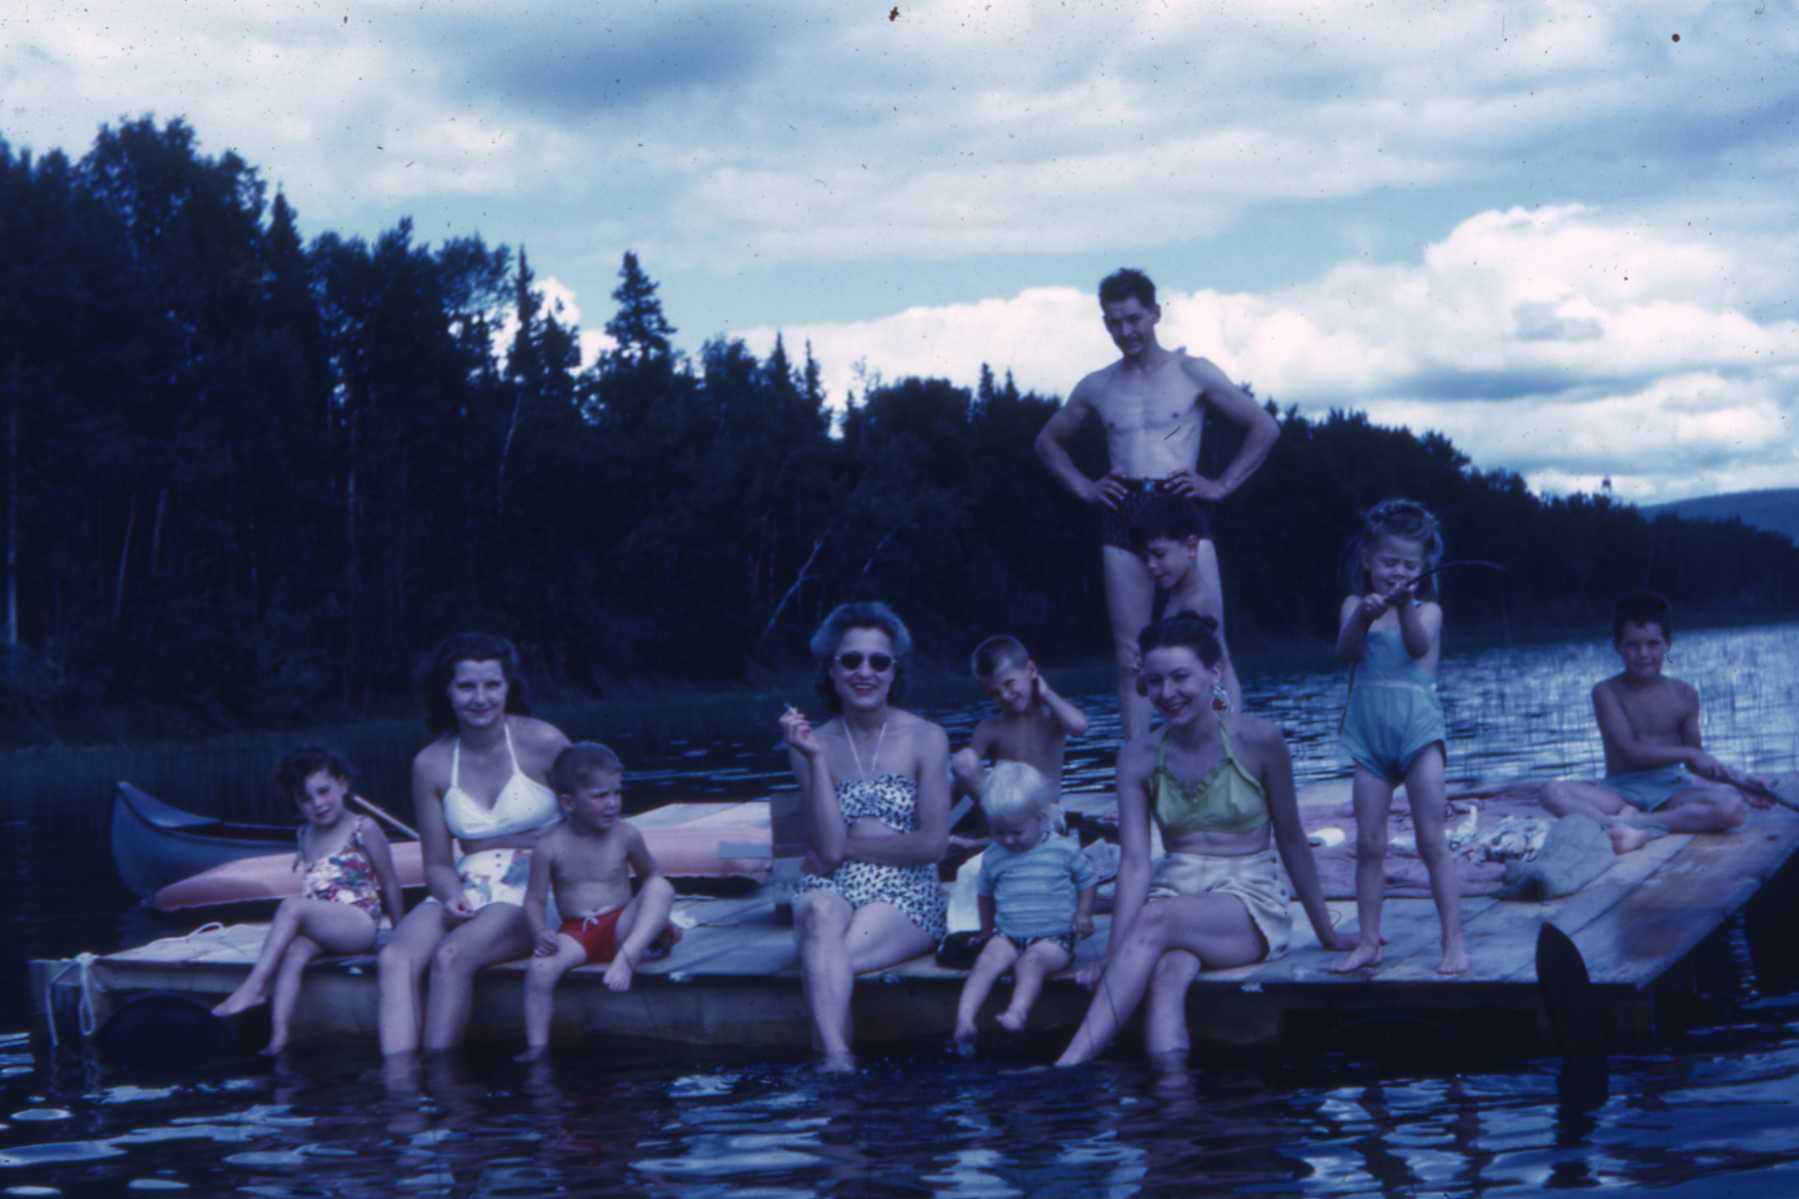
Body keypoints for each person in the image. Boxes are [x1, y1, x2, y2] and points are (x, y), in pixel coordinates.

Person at [1055, 612, 1346, 1067]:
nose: (1167, 694)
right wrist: (1114, 954)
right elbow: (1134, 864)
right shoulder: (1137, 757)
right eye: (1154, 683)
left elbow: (1292, 840)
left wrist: (1326, 930)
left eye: (1179, 677)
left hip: (1247, 900)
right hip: (1176, 892)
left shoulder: (1259, 740)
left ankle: (1067, 1068)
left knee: (1156, 919)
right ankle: (1175, 1106)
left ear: (1213, 672)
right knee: (1167, 977)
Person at [1034, 267, 1276, 738]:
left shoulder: (1193, 372)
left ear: (1155, 314)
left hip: (1180, 505)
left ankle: (1231, 753)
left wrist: (1222, 485)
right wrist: (1085, 488)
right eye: (1113, 322)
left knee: (1211, 646)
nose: (1125, 332)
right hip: (1124, 509)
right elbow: (1047, 442)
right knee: (1131, 657)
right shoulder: (1098, 385)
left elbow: (1264, 427)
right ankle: (1142, 770)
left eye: (1133, 319)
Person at [377, 632, 571, 1055]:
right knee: (394, 959)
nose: (480, 698)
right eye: (466, 686)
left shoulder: (544, 742)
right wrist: (450, 897)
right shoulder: (429, 763)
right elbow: (438, 865)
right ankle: (403, 1094)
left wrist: (511, 840)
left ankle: (441, 1087)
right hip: (469, 884)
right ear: (446, 691)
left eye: (492, 685)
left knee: (451, 956)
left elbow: (592, 829)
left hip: (540, 886)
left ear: (508, 687)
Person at [778, 601, 951, 1070]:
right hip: (835, 887)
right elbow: (828, 855)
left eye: (879, 661)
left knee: (826, 965)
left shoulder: (927, 738)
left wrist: (851, 847)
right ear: (830, 670)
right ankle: (840, 1063)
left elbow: (932, 845)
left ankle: (833, 1070)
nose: (865, 672)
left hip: (906, 889)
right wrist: (813, 759)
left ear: (896, 671)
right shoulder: (811, 744)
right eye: (851, 660)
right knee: (816, 910)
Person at [1328, 499, 1467, 975]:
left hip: (1418, 737)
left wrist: (1403, 605)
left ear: (1423, 569)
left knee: (1432, 841)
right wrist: (1364, 617)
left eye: (1409, 566)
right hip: (1369, 740)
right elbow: (1345, 652)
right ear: (1368, 560)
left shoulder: (1428, 611)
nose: (1397, 573)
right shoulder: (1353, 605)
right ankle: (1368, 940)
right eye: (1389, 562)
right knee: (1369, 843)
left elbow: (1416, 646)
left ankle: (1453, 941)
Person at [1541, 591, 1771, 853]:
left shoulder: (1685, 694)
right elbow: (1631, 751)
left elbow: (1695, 764)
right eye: (1632, 645)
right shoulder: (1606, 691)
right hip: (1620, 792)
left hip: (1671, 790)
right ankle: (1614, 825)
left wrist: (1740, 779)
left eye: (1653, 644)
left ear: (1667, 644)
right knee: (1552, 792)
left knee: (1733, 808)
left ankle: (1638, 824)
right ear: (1617, 646)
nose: (1643, 653)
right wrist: (1691, 753)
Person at [212, 746, 405, 1054]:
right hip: (324, 928)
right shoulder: (304, 834)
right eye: (305, 798)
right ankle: (280, 1038)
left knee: (291, 906)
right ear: (296, 802)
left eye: (324, 791)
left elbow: (391, 884)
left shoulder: (362, 828)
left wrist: (399, 938)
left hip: (359, 924)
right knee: (294, 952)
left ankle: (254, 986)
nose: (318, 804)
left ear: (342, 784)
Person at [517, 742, 679, 1062]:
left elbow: (651, 880)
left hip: (622, 927)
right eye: (600, 796)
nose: (612, 804)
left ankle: (627, 959)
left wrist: (660, 920)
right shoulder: (549, 845)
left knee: (662, 887)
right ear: (568, 802)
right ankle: (537, 1047)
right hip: (578, 931)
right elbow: (534, 901)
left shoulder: (627, 835)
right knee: (538, 969)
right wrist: (540, 933)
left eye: (616, 793)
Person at [953, 762, 1097, 1051]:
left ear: (1040, 818)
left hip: (1053, 938)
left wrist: (1083, 913)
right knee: (987, 960)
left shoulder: (1062, 849)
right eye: (999, 832)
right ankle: (964, 1019)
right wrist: (985, 930)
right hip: (1008, 934)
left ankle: (1017, 1012)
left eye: (1017, 833)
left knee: (1031, 961)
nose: (1008, 840)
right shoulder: (994, 855)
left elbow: (1087, 880)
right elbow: (985, 894)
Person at [949, 634, 1090, 833]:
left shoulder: (1052, 716)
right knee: (962, 760)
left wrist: (1047, 694)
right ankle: (1002, 827)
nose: (1005, 696)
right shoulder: (990, 728)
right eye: (994, 693)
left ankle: (1028, 830)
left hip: (1044, 813)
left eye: (1009, 684)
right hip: (1004, 812)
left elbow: (1080, 727)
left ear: (1031, 670)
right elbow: (963, 776)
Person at [1129, 491, 1243, 708]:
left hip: (1216, 715)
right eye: (1145, 558)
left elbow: (1153, 685)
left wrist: (1145, 670)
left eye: (1159, 554)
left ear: (1191, 546)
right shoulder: (1181, 594)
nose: (1151, 565)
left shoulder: (1195, 605)